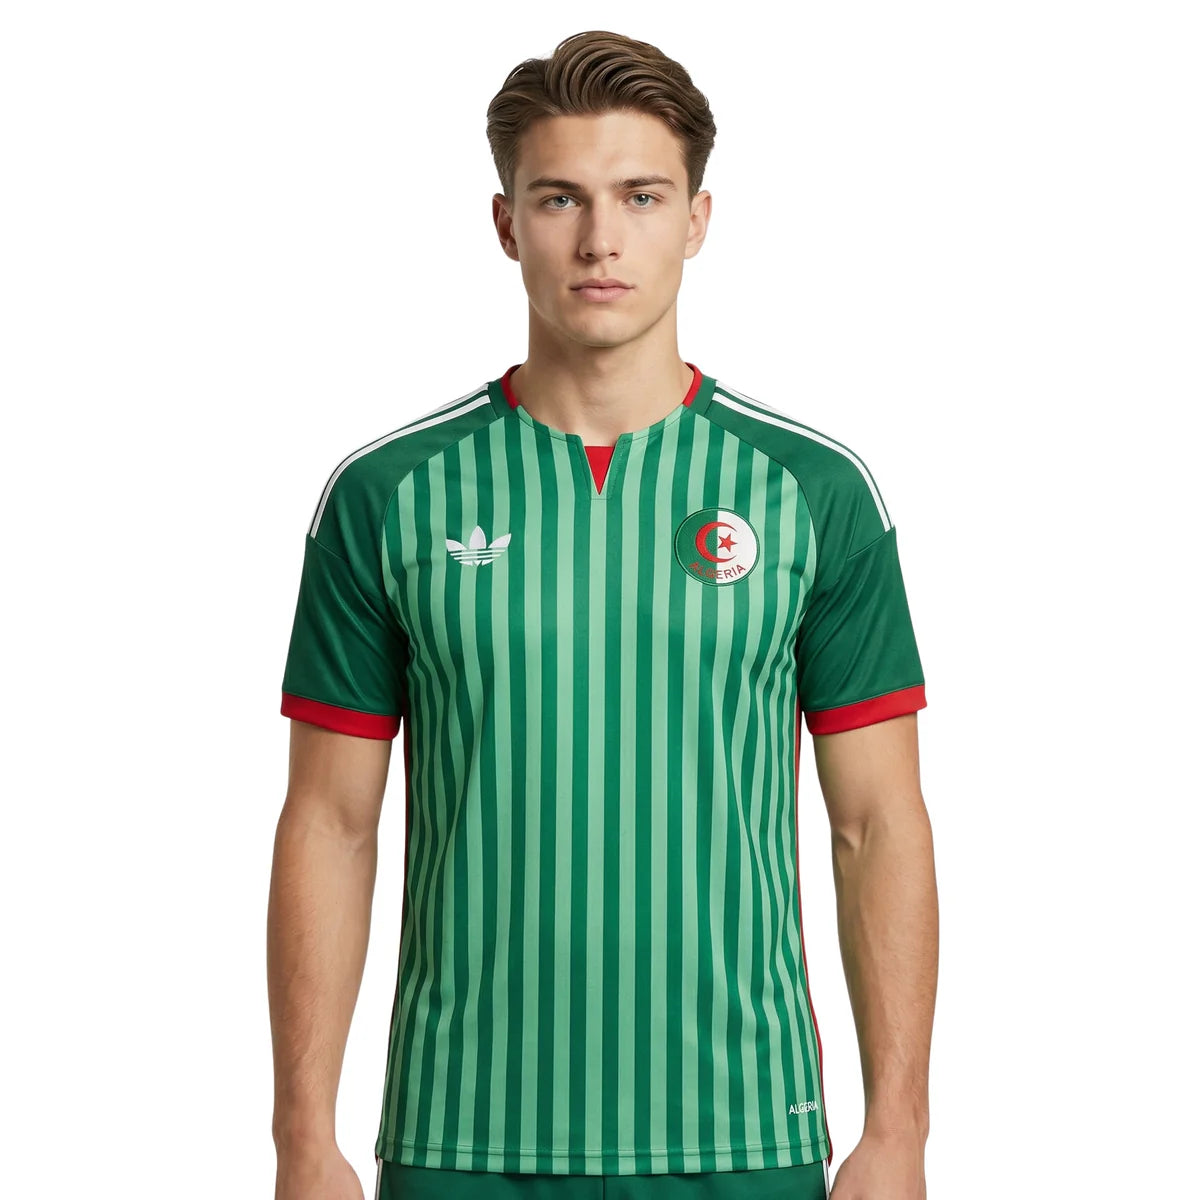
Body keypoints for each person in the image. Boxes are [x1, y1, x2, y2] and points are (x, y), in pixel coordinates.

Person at [268, 28, 937, 1200]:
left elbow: (876, 825)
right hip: (462, 1135)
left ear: (698, 219)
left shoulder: (814, 493)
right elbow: (330, 823)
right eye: (559, 198)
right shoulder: (388, 495)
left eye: (640, 195)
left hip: (745, 1133)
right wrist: (301, 1138)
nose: (599, 239)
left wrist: (898, 1134)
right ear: (505, 223)